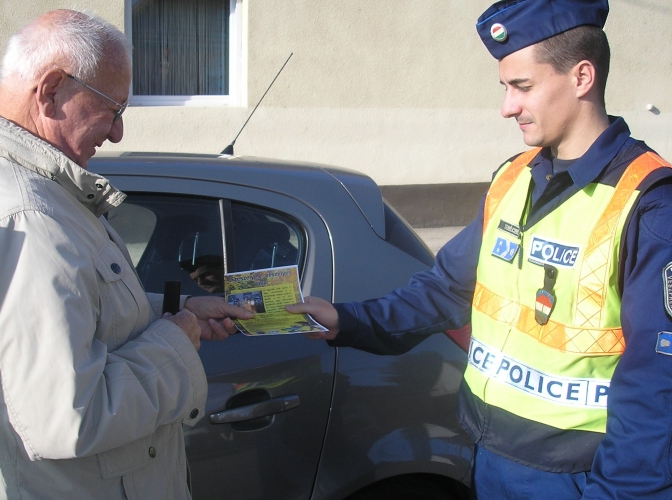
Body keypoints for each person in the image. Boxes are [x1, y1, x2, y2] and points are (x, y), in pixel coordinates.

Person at [288, 0, 672, 498]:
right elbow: (445, 290)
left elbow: (656, 387)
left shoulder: (648, 204)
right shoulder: (512, 177)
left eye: (523, 87)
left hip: (576, 478)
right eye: (505, 87)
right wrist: (349, 320)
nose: (507, 107)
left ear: (581, 77)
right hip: (488, 458)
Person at [0, 9, 250, 499]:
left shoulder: (11, 182)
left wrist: (177, 310)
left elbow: (78, 305)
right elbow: (70, 414)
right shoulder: (25, 218)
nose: (118, 133)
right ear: (52, 90)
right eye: (113, 109)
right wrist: (176, 338)